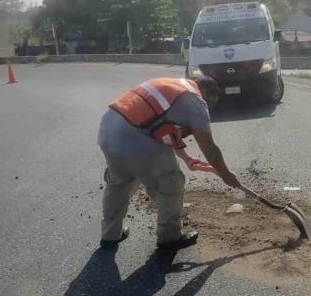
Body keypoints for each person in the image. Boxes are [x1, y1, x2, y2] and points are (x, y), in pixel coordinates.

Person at [97, 74, 241, 252]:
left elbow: (163, 130)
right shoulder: (194, 99)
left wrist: (186, 158)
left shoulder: (171, 86)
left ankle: (110, 234)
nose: (208, 105)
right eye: (210, 101)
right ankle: (170, 237)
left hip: (108, 130)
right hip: (135, 137)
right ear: (205, 91)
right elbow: (209, 147)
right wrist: (226, 174)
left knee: (120, 181)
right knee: (170, 182)